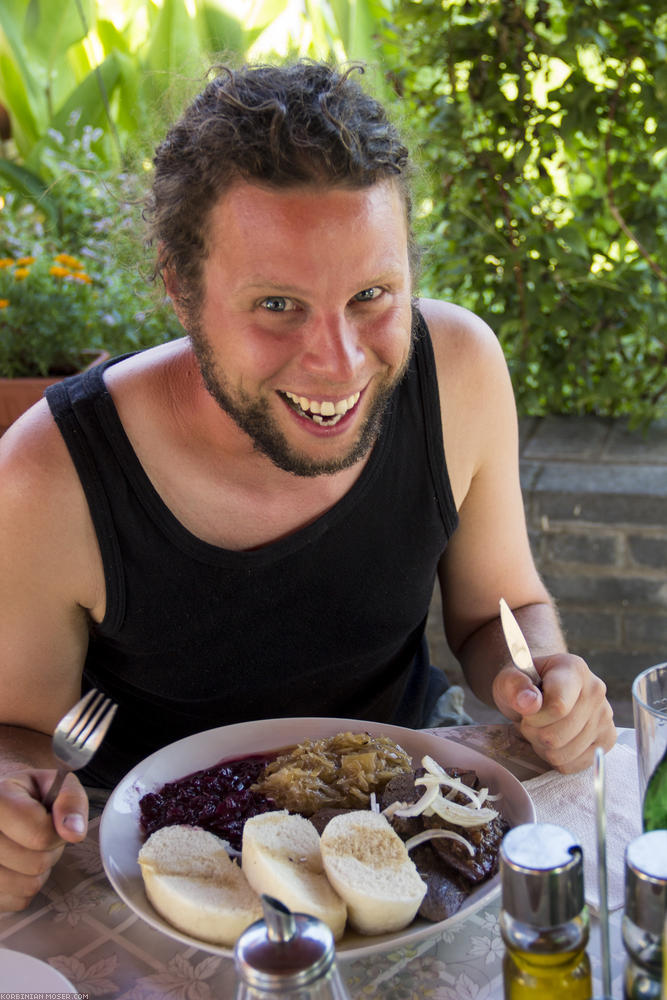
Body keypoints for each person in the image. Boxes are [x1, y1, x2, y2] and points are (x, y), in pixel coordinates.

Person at [0, 60, 616, 912]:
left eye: (372, 294)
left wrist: (541, 670)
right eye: (278, 305)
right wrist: (13, 799)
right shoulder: (51, 473)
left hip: (404, 824)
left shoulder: (460, 373)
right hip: (158, 875)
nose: (339, 362)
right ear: (180, 288)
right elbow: (22, 736)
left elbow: (498, 612)